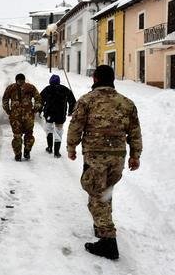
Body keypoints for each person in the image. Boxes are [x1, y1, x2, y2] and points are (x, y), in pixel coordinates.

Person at [67, 65, 142, 260]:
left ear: (95, 79)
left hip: (95, 155)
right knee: (106, 191)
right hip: (117, 156)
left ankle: (108, 242)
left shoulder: (87, 100)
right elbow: (134, 132)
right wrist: (135, 155)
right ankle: (101, 226)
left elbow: (76, 126)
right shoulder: (127, 103)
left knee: (96, 194)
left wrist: (71, 147)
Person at [2, 73, 42, 161]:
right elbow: (38, 99)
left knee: (17, 136)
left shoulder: (11, 88)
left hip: (16, 116)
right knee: (28, 135)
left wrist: (8, 110)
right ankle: (26, 151)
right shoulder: (30, 87)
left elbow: (5, 100)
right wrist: (34, 109)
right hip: (27, 116)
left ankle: (18, 154)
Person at [39, 74, 76, 158]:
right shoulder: (65, 89)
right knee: (59, 131)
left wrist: (39, 110)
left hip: (49, 114)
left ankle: (49, 147)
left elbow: (40, 100)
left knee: (49, 130)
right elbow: (72, 101)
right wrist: (70, 111)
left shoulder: (47, 89)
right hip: (60, 114)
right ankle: (56, 152)